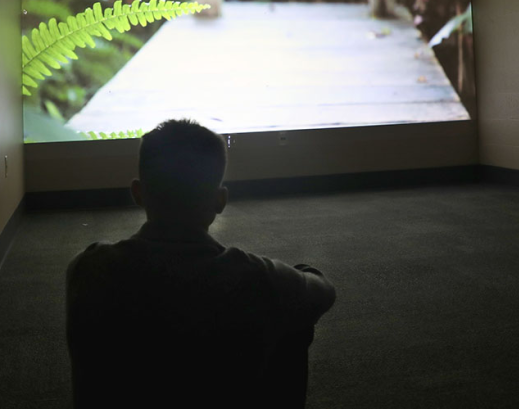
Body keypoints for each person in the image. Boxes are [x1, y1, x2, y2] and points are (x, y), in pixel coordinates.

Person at [65, 119, 337, 409]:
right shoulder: (258, 278)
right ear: (220, 200)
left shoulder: (88, 268)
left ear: (138, 193)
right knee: (293, 321)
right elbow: (324, 292)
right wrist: (305, 273)